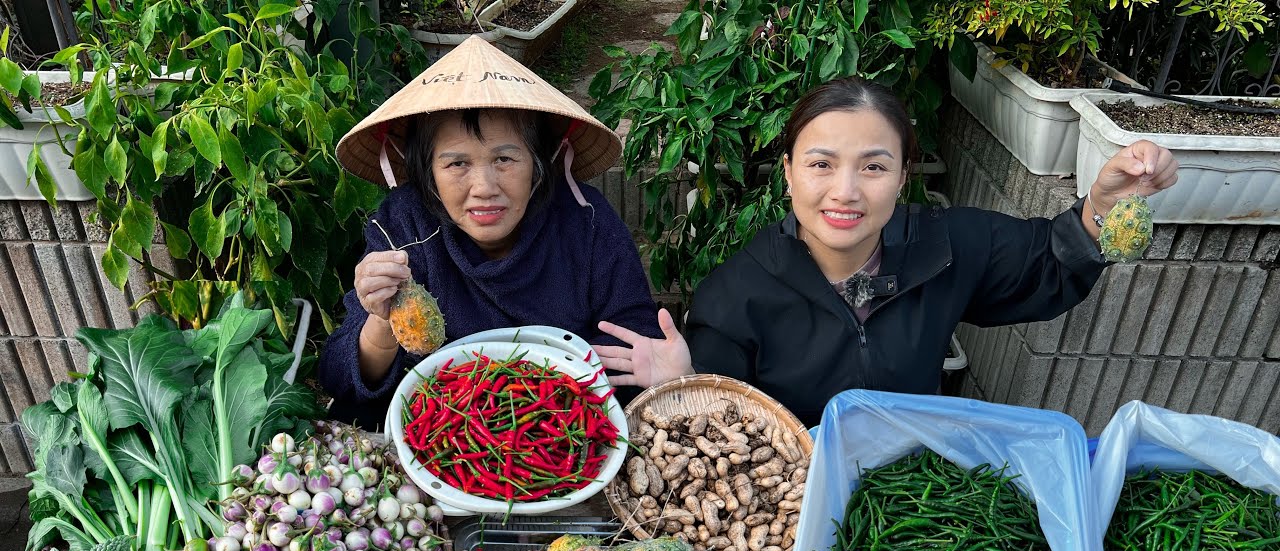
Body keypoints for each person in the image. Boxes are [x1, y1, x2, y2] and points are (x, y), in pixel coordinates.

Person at [592, 77, 1178, 428]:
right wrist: (684, 381)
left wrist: (1103, 208)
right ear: (789, 175)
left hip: (911, 496)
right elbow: (718, 435)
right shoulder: (736, 294)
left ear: (901, 178)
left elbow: (1048, 261)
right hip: (793, 510)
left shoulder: (946, 247)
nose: (845, 192)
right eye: (821, 164)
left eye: (873, 166)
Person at [320, 37, 661, 429]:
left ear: (539, 161)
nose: (483, 186)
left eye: (504, 158)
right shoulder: (403, 228)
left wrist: (665, 373)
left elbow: (636, 346)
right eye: (456, 164)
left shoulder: (586, 222)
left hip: (558, 432)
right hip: (443, 439)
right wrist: (381, 321)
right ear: (427, 171)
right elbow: (338, 377)